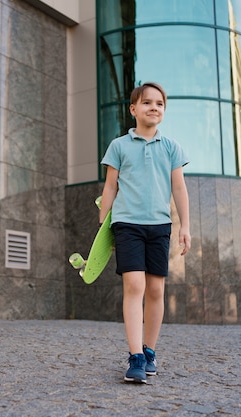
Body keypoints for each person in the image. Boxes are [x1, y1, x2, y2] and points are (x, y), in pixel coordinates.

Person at [99, 82, 191, 383]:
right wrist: (103, 226)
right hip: (127, 224)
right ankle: (136, 356)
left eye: (160, 104)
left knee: (155, 290)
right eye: (148, 102)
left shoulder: (172, 147)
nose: (154, 107)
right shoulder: (119, 146)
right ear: (133, 109)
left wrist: (184, 227)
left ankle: (150, 350)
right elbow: (110, 186)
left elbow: (179, 187)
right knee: (134, 286)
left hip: (160, 226)